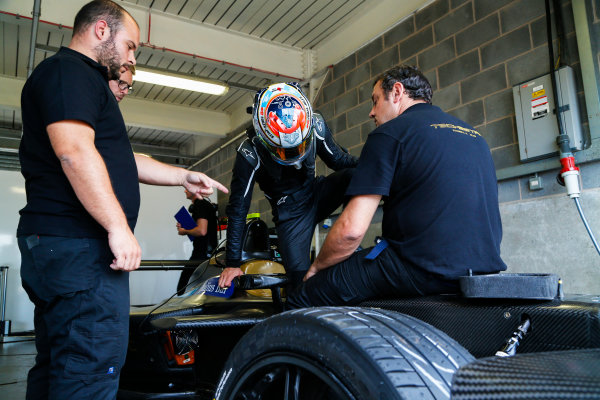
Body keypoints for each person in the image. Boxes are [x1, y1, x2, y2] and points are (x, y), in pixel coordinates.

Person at [17, 1, 227, 398]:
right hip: (83, 248)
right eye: (130, 46)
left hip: (63, 248)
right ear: (101, 30)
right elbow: (75, 152)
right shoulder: (70, 72)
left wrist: (182, 175)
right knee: (89, 369)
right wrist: (117, 227)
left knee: (59, 366)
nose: (132, 57)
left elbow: (125, 160)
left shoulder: (79, 83)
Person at [286, 65, 507, 308]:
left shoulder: (389, 133)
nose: (371, 113)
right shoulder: (474, 135)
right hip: (483, 271)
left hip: (420, 268)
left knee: (303, 295)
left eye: (375, 100)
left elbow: (351, 231)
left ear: (397, 92)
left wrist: (317, 267)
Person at [218, 82, 357, 289]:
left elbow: (339, 161)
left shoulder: (315, 125)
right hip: (290, 215)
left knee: (359, 174)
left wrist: (381, 163)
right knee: (299, 285)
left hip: (316, 193)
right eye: (284, 151)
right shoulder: (249, 153)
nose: (294, 157)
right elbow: (238, 208)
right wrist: (232, 264)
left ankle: (355, 243)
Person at [176, 189, 218, 294]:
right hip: (207, 253)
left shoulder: (200, 205)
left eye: (187, 188)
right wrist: (186, 227)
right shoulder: (203, 205)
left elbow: (202, 231)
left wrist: (184, 231)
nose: (184, 191)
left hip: (202, 255)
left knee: (182, 288)